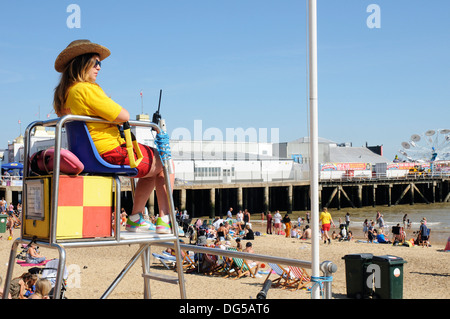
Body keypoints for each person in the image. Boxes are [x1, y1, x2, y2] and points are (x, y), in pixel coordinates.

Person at [53, 39, 173, 234]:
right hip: (109, 151)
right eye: (95, 62)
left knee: (150, 167)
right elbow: (123, 115)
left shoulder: (64, 94)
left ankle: (135, 218)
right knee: (165, 162)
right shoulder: (85, 89)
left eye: (100, 63)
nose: (99, 67)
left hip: (87, 156)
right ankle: (165, 219)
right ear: (81, 63)